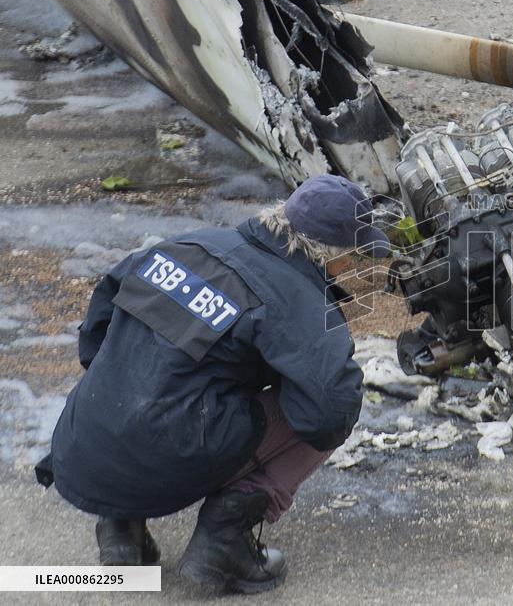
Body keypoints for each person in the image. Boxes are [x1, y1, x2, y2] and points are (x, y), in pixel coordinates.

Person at [36, 175, 390, 594]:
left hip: (86, 442)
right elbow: (328, 414)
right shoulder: (299, 301)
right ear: (336, 257)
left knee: (144, 374)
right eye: (354, 256)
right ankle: (224, 540)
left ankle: (120, 527)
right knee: (333, 401)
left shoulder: (187, 245)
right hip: (168, 451)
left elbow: (95, 333)